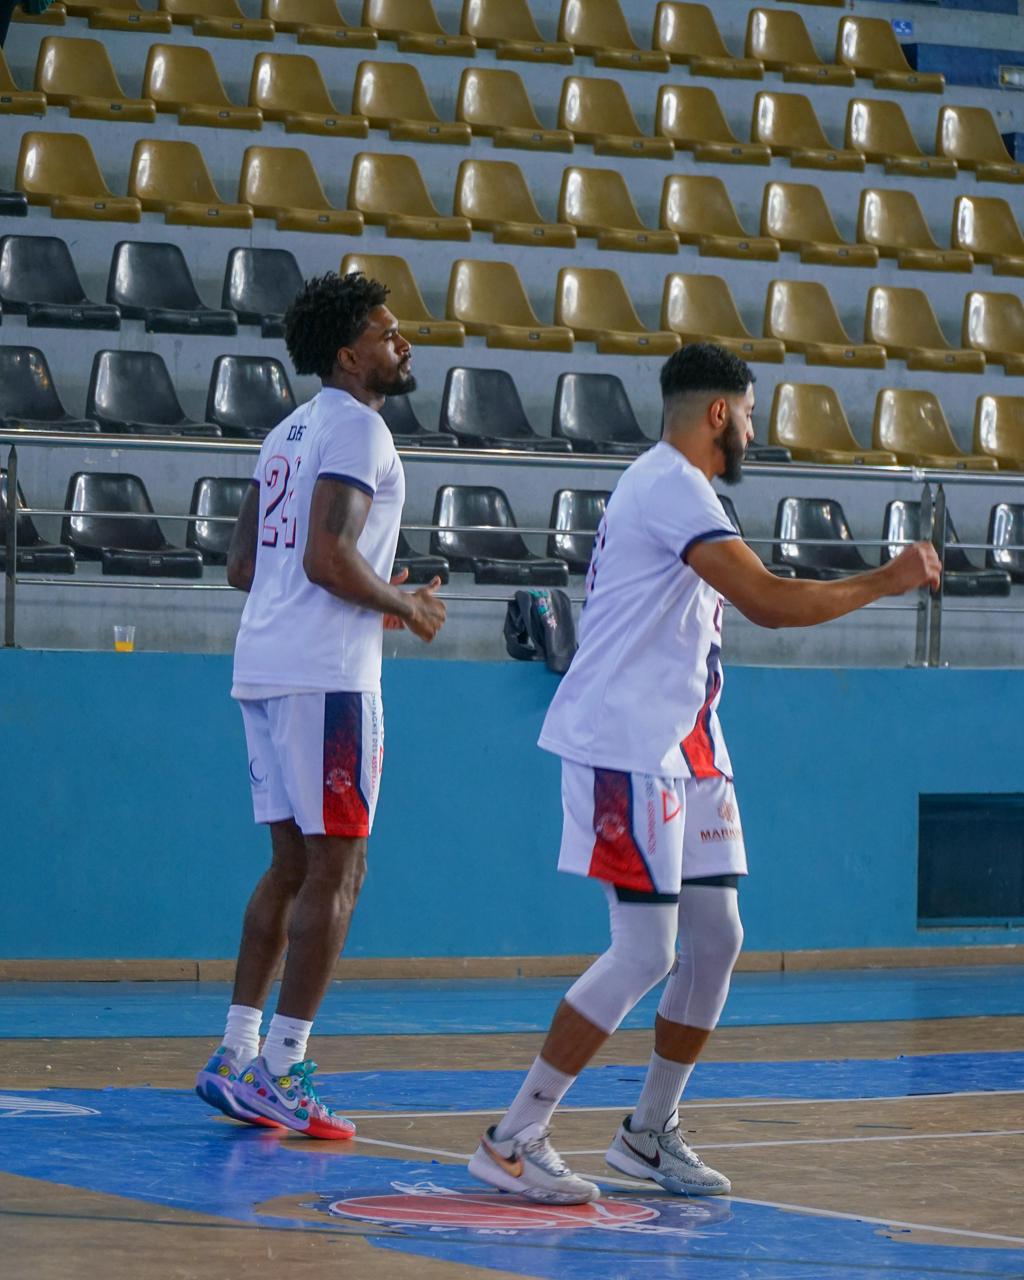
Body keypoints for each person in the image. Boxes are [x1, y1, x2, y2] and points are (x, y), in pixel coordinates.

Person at [468, 343, 941, 1203]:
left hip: (689, 744)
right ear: (719, 413)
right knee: (646, 950)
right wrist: (889, 578)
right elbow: (771, 603)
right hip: (628, 741)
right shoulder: (669, 485)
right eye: (750, 415)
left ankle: (647, 1134)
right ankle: (513, 1137)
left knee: (716, 938)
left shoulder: (685, 492)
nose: (753, 432)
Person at [195, 272, 446, 1139]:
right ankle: (283, 1066)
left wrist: (371, 591)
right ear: (347, 355)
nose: (401, 343)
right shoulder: (360, 429)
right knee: (340, 870)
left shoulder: (285, 433)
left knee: (291, 868)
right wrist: (402, 602)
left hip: (263, 665)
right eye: (386, 332)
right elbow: (326, 558)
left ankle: (237, 1053)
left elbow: (245, 567)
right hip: (328, 675)